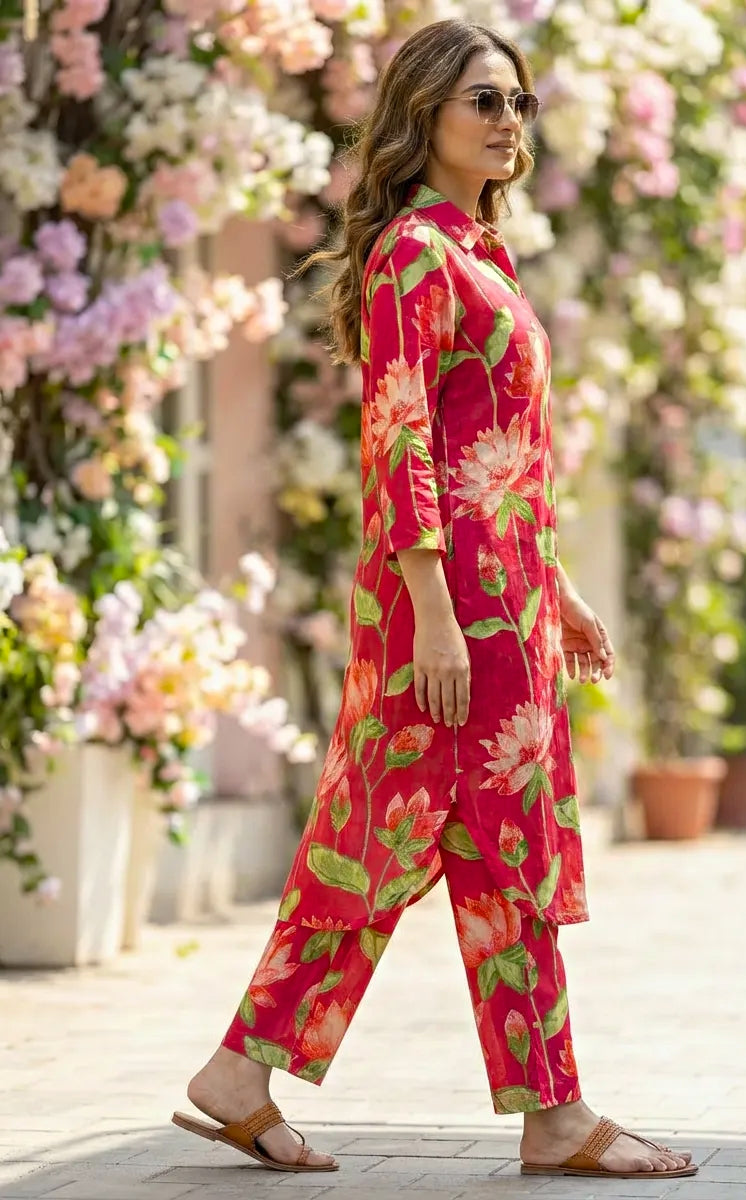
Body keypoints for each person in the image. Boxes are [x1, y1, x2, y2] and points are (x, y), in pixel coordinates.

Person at [172, 18, 696, 1182]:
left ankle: (258, 1074)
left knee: (463, 854)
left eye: (516, 102)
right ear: (424, 117)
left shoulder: (481, 256)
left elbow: (497, 451)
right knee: (398, 844)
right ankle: (525, 1113)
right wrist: (436, 610)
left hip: (498, 610)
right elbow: (397, 434)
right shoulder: (416, 253)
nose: (508, 121)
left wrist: (550, 586)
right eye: (482, 101)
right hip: (446, 618)